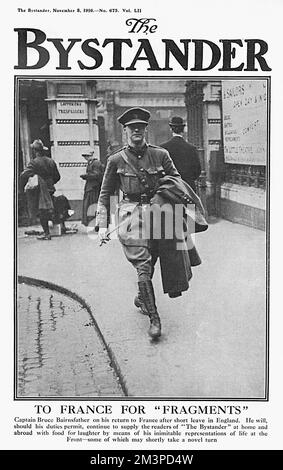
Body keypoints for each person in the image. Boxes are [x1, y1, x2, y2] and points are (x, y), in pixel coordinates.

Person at [95, 107, 198, 341]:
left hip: (160, 213)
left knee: (156, 258)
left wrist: (166, 194)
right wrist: (102, 225)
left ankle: (142, 298)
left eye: (140, 128)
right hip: (131, 216)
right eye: (132, 128)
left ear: (146, 130)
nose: (137, 132)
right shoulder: (115, 160)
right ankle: (154, 319)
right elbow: (105, 194)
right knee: (143, 263)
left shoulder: (161, 155)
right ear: (125, 131)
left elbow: (176, 181)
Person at [20, 139, 61, 240]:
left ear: (35, 151)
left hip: (41, 192)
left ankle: (47, 234)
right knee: (50, 208)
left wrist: (34, 176)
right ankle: (56, 227)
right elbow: (57, 177)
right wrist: (50, 183)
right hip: (50, 188)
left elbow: (23, 174)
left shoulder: (34, 162)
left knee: (42, 212)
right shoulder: (51, 161)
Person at [160, 116, 201, 192]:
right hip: (188, 189)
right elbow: (197, 171)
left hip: (170, 189)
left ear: (171, 129)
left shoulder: (163, 148)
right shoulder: (191, 148)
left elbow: (160, 171)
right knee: (189, 204)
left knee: (171, 204)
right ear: (183, 129)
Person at [80, 146, 104, 227]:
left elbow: (97, 175)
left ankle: (96, 223)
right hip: (90, 187)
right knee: (89, 206)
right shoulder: (91, 163)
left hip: (94, 188)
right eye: (85, 156)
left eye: (87, 156)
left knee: (93, 205)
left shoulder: (96, 163)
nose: (86, 158)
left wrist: (86, 176)